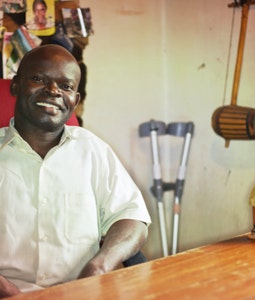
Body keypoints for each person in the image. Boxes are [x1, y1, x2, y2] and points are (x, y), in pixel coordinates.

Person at [0, 44, 151, 297]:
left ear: (76, 100)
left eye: (66, 86)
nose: (52, 91)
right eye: (39, 79)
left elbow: (132, 218)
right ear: (15, 85)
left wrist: (99, 266)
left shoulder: (91, 149)